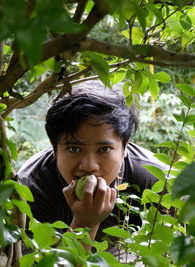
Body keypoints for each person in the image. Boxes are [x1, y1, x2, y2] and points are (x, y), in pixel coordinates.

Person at [18, 80, 166, 251]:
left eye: (104, 149)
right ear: (54, 147)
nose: (89, 166)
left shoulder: (156, 180)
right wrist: (85, 222)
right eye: (74, 148)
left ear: (125, 146)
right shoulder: (30, 189)